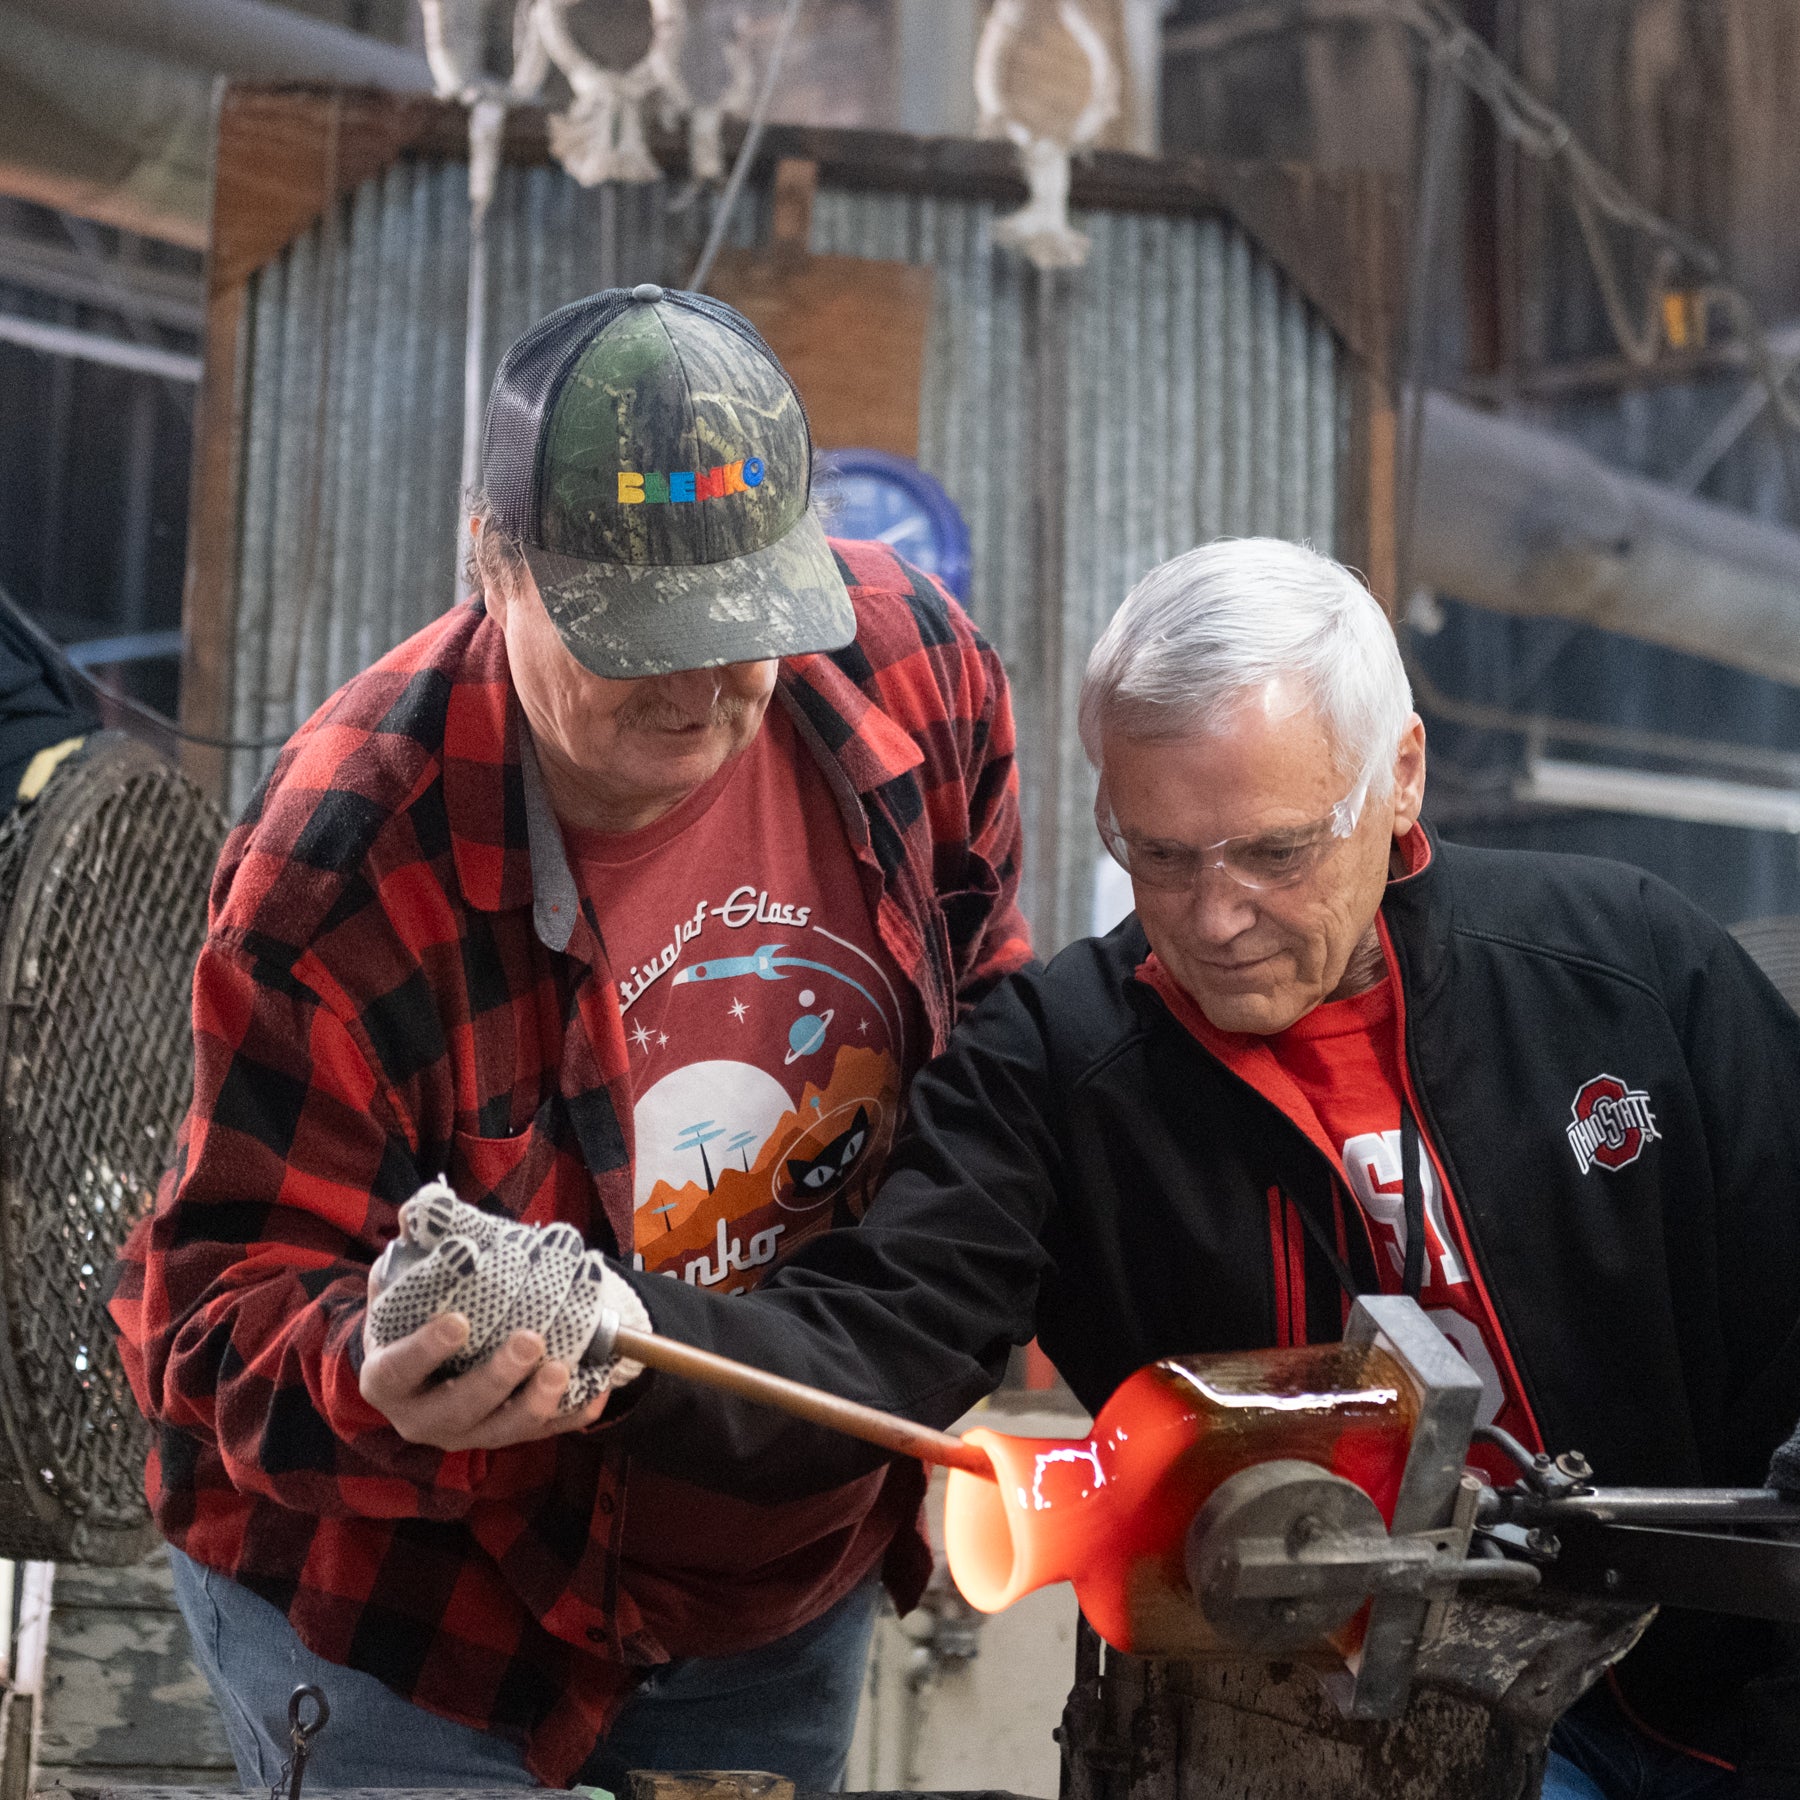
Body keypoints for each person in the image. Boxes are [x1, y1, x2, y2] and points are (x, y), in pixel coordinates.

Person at [603, 538, 1800, 1800]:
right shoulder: (1058, 1074)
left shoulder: (1626, 973)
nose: (1214, 918)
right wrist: (622, 1342)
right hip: (1334, 1739)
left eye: (1274, 854)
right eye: (1159, 855)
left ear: (1400, 781)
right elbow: (872, 1340)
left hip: (1733, 1694)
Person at [107, 283, 1030, 1792]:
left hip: (775, 1585)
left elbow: (993, 1030)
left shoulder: (915, 672)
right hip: (424, 1618)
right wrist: (370, 1377)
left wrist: (908, 1338)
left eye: (746, 628)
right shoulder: (341, 868)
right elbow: (209, 1306)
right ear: (496, 565)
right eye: (640, 635)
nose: (707, 690)